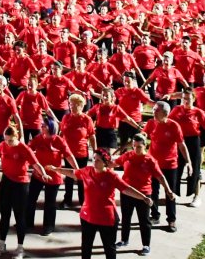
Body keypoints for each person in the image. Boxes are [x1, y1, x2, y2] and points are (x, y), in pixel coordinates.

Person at [51, 149, 152, 259]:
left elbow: (126, 189)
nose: (94, 162)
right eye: (94, 159)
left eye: (98, 160)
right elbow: (72, 173)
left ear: (105, 162)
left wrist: (143, 197)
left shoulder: (111, 176)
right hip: (87, 217)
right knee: (86, 247)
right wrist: (56, 169)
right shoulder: (87, 171)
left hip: (107, 219)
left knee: (109, 248)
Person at [0, 125, 49, 259]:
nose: (8, 143)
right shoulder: (4, 145)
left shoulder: (24, 148)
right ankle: (2, 243)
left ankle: (20, 247)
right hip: (6, 183)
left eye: (11, 140)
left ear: (17, 137)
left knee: (19, 217)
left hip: (21, 185)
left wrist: (43, 174)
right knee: (4, 215)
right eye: (6, 140)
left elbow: (36, 164)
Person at [115, 134, 175, 256]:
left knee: (144, 220)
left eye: (139, 147)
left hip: (144, 194)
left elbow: (160, 176)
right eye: (134, 146)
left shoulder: (150, 160)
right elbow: (114, 163)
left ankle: (146, 245)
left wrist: (168, 190)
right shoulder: (127, 156)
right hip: (127, 192)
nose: (136, 149)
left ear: (145, 146)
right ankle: (124, 240)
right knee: (126, 218)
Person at [142, 101, 188, 231]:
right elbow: (144, 135)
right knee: (153, 191)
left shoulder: (174, 126)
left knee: (170, 192)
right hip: (153, 164)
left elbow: (181, 145)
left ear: (165, 113)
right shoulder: (151, 123)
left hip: (170, 164)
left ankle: (171, 220)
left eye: (156, 110)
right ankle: (155, 215)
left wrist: (188, 161)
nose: (153, 112)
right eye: (154, 109)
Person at [27, 117, 76, 236]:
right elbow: (28, 150)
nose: (42, 126)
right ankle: (27, 223)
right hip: (38, 174)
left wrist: (77, 170)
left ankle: (48, 226)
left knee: (50, 203)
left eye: (45, 125)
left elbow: (69, 156)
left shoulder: (59, 141)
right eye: (42, 124)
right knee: (30, 199)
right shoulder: (38, 138)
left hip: (54, 177)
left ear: (51, 127)